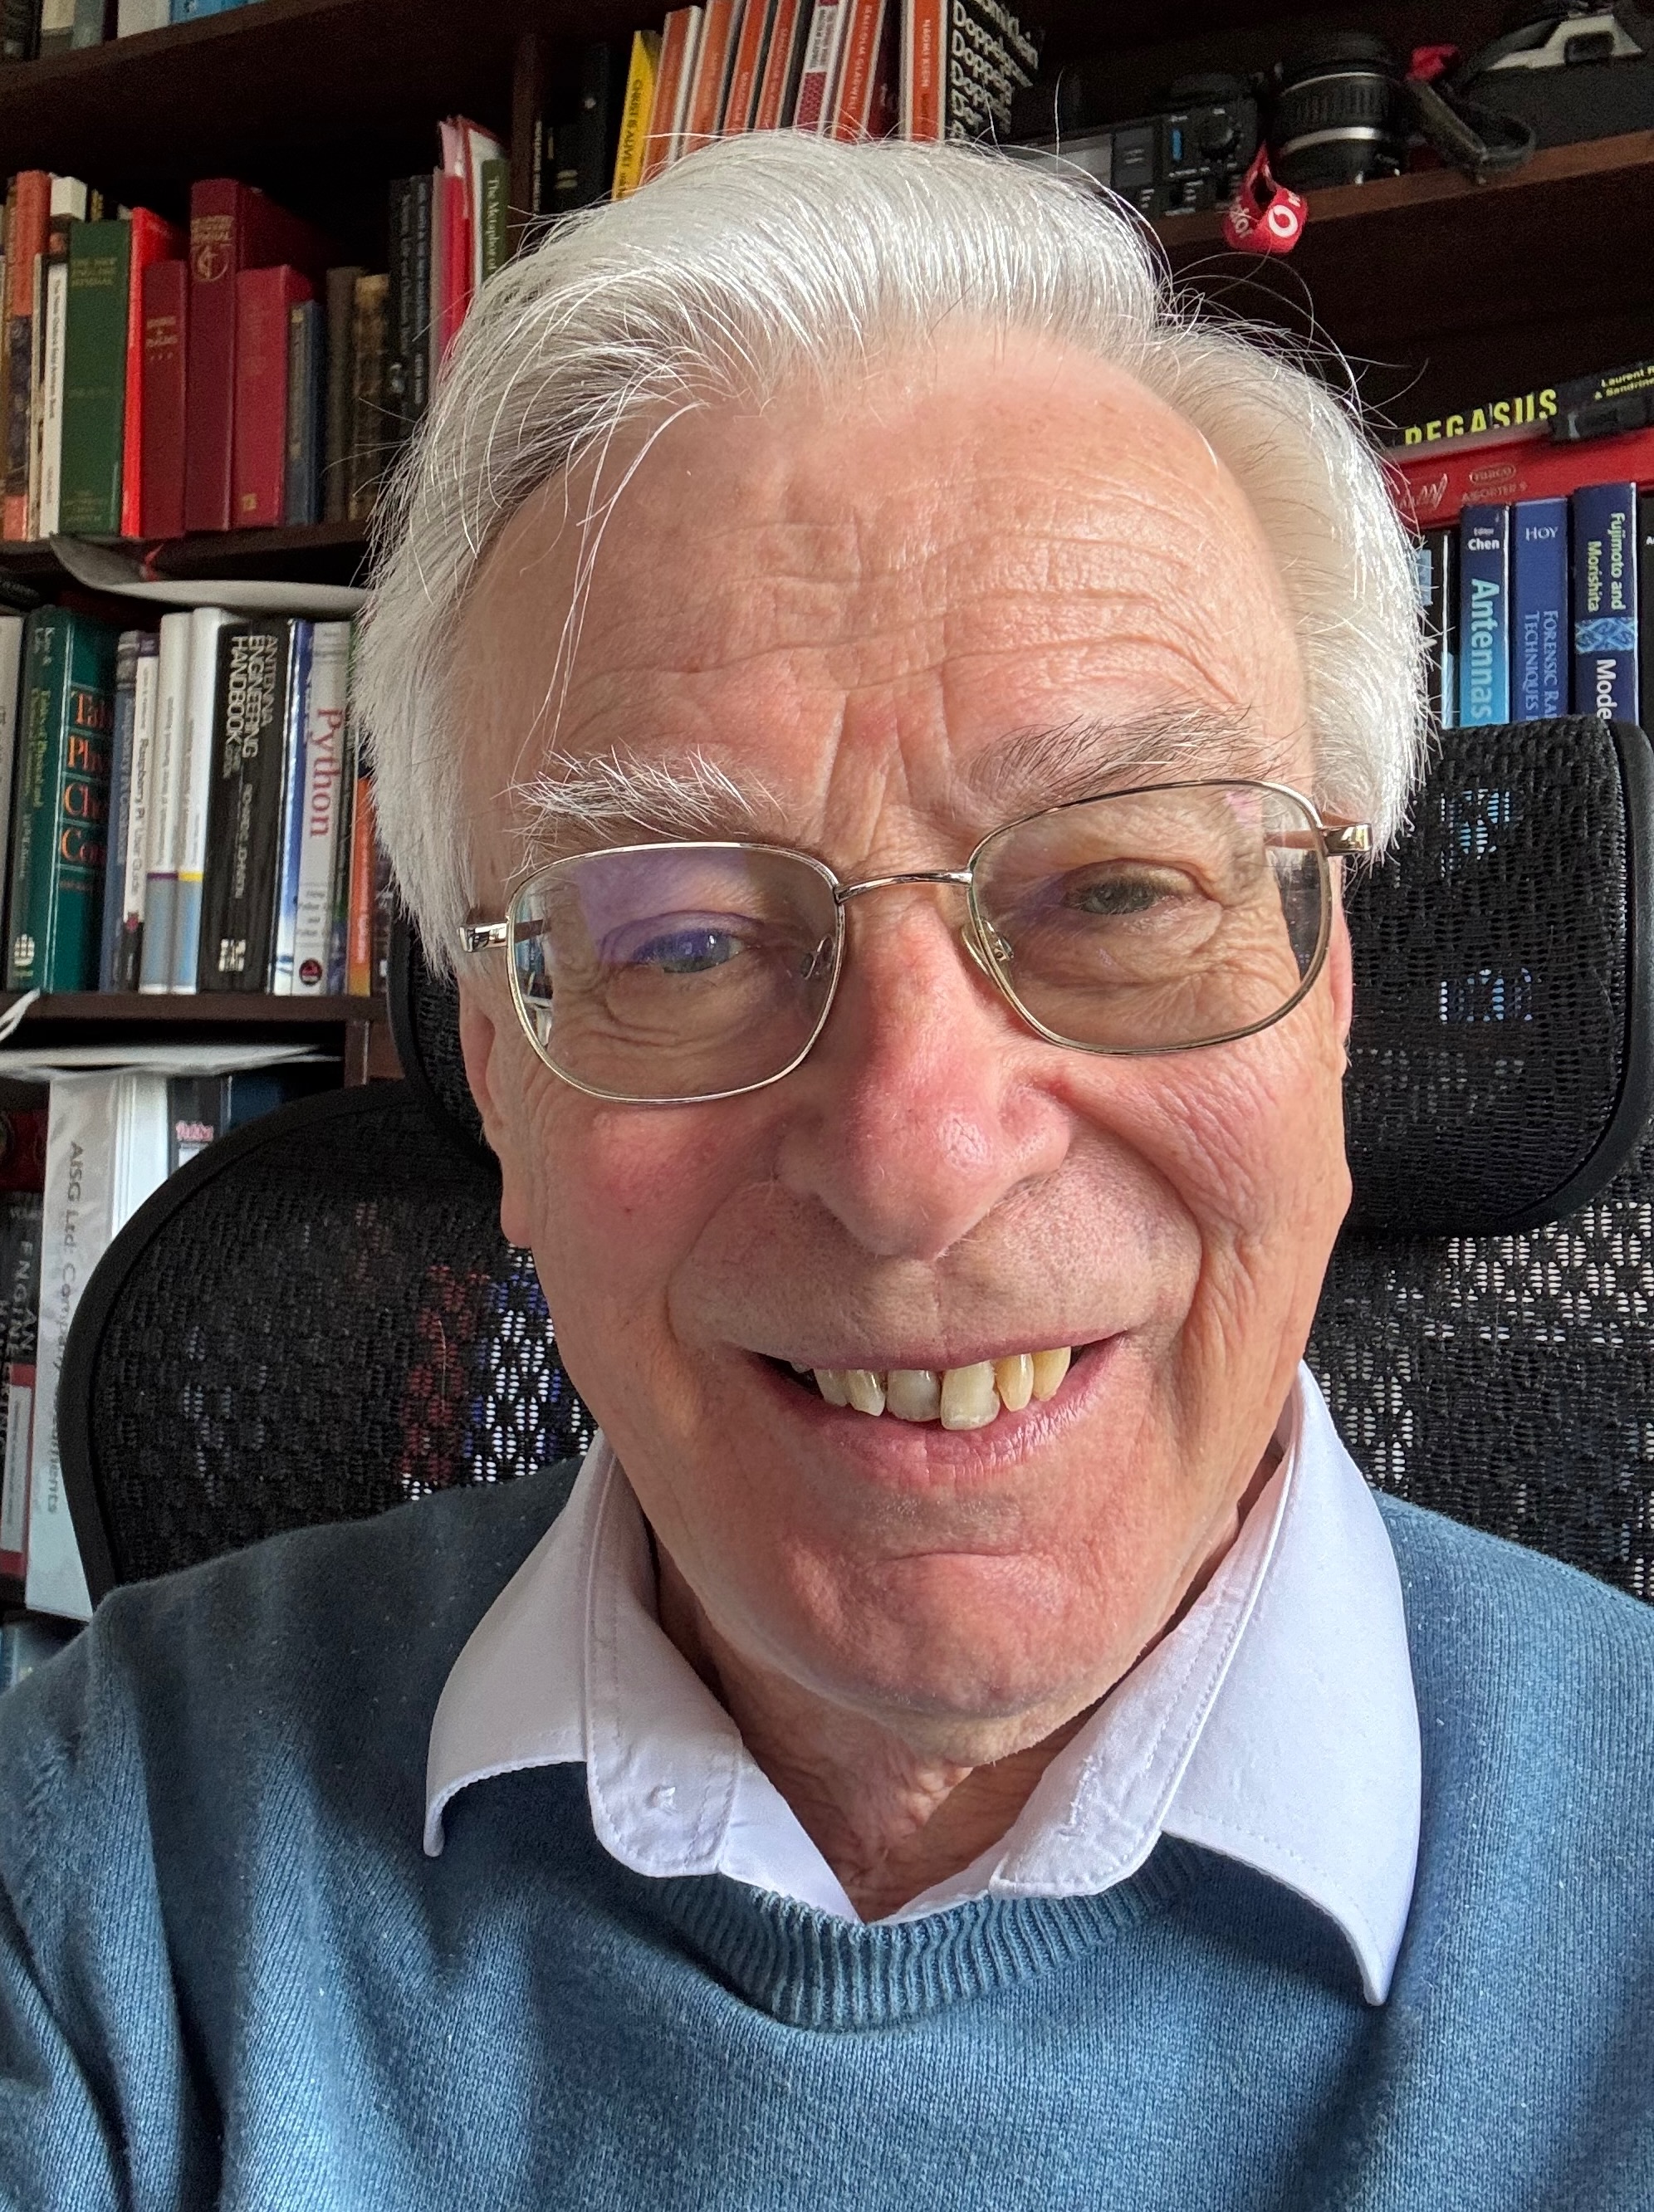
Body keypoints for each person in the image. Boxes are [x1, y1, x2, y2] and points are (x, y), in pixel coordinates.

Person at [2, 133, 1652, 2212]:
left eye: (1124, 891)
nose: (915, 1162)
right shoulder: (108, 1853)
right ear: (498, 1079)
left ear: (1332, 1008)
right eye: (681, 940)